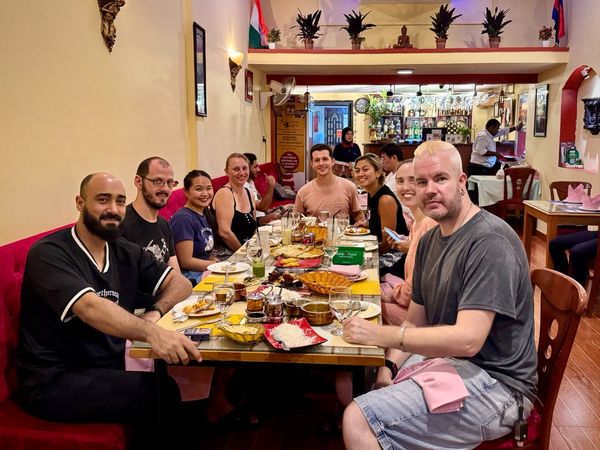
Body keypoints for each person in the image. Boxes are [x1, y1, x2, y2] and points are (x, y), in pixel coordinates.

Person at [342, 141, 537, 450]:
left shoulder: (490, 241)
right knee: (370, 384)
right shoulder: (431, 239)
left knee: (357, 419)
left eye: (440, 178)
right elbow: (415, 322)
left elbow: (468, 340)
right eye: (421, 182)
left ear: (461, 182)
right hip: (453, 365)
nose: (430, 189)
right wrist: (389, 366)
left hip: (499, 386)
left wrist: (378, 334)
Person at [16, 172, 201, 445]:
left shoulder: (123, 250)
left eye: (120, 201)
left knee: (177, 380)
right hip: (54, 379)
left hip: (106, 364)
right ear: (80, 203)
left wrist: (155, 312)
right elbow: (89, 307)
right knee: (161, 392)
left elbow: (181, 283)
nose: (113, 209)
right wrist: (152, 333)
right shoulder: (49, 252)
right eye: (103, 200)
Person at [380, 159, 436, 326]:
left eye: (413, 180)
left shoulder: (429, 224)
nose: (405, 187)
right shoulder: (416, 224)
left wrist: (391, 295)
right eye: (400, 181)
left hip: (426, 318)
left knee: (369, 305)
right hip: (415, 304)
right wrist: (408, 245)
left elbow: (414, 289)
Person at [120, 156, 180, 305]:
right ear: (138, 182)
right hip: (138, 311)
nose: (165, 188)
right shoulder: (121, 224)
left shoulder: (163, 224)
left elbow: (176, 276)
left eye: (170, 183)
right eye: (157, 181)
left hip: (164, 304)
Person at [169, 170, 218, 286]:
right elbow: (186, 261)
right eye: (199, 189)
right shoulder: (183, 218)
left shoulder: (205, 213)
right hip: (191, 277)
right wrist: (217, 266)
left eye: (208, 188)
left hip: (205, 269)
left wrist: (215, 261)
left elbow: (208, 252)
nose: (205, 193)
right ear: (186, 192)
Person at [294, 144, 364, 223]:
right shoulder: (303, 192)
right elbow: (296, 220)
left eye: (325, 159)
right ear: (312, 164)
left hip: (342, 231)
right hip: (314, 231)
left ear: (333, 161)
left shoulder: (349, 187)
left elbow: (358, 215)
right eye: (317, 160)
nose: (321, 163)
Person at [354, 153, 408, 254]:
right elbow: (379, 220)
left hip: (396, 254)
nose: (360, 174)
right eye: (357, 170)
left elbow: (387, 243)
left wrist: (366, 254)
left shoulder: (385, 200)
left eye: (365, 169)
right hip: (381, 247)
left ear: (378, 173)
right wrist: (368, 223)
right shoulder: (371, 192)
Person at [212, 153, 258, 252]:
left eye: (245, 168)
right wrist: (244, 253)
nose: (242, 173)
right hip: (228, 253)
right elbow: (224, 233)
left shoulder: (249, 193)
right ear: (227, 172)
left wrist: (257, 248)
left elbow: (254, 226)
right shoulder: (225, 193)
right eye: (236, 169)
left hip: (248, 250)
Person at [243, 152, 288, 224]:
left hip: (263, 213)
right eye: (255, 167)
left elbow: (261, 206)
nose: (258, 170)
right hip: (255, 220)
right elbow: (262, 207)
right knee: (276, 216)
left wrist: (270, 210)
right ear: (247, 169)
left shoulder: (250, 182)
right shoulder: (243, 186)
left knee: (291, 208)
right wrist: (271, 186)